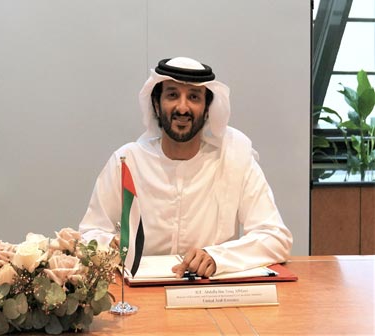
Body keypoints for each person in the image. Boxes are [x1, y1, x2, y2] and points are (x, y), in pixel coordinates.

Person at [79, 57, 292, 277]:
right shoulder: (127, 161)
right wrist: (109, 245)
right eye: (172, 95)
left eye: (194, 97)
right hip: (139, 290)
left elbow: (276, 238)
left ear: (207, 109)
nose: (182, 108)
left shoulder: (234, 158)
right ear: (156, 105)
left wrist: (217, 257)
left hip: (208, 289)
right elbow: (89, 233)